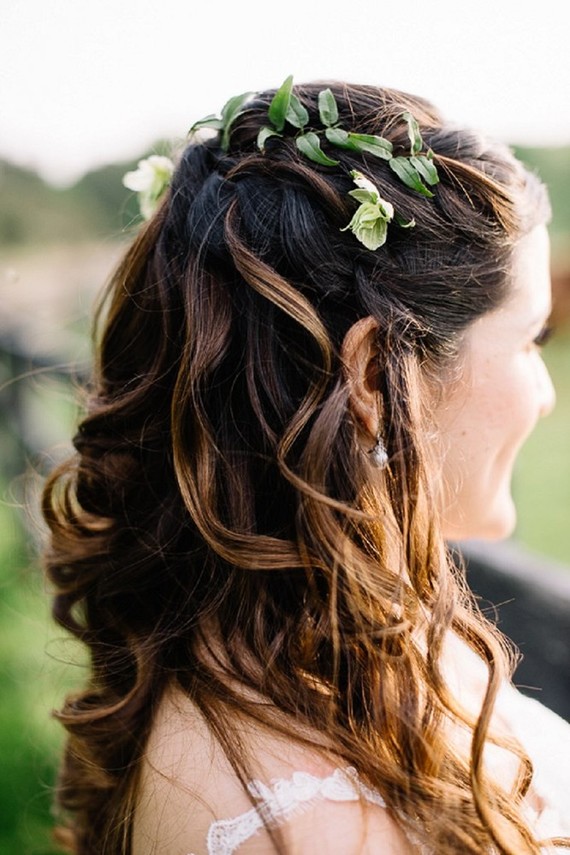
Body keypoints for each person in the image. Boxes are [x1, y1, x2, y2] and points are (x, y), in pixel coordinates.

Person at [41, 76, 570, 854]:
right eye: (528, 340)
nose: (547, 394)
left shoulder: (285, 647)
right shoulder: (312, 826)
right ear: (371, 375)